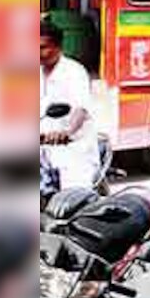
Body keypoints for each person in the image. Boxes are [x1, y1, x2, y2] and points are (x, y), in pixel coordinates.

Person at [40, 18, 100, 191]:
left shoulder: (74, 72)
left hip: (73, 152)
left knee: (70, 206)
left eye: (42, 48)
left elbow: (80, 109)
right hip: (43, 150)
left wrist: (66, 132)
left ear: (58, 47)